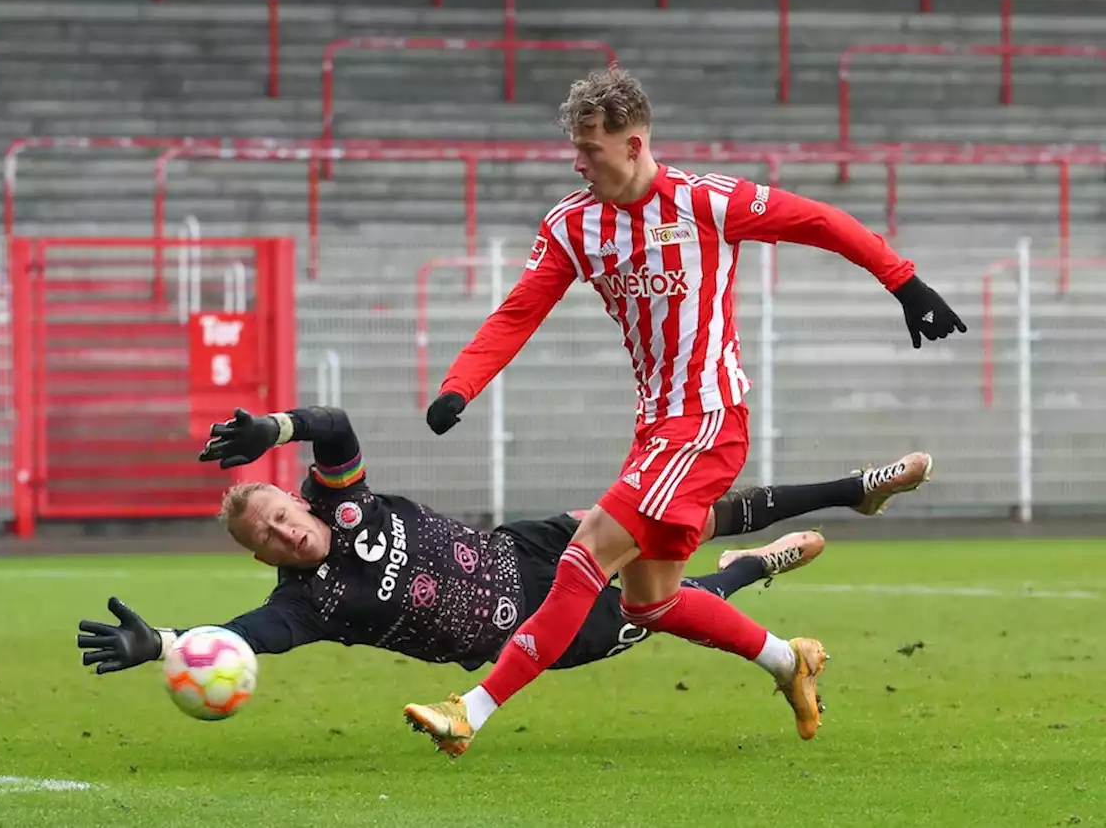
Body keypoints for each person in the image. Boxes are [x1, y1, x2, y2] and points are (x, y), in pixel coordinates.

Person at [406, 65, 965, 755]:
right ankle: (789, 661)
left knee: (587, 554)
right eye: (575, 150)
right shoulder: (573, 225)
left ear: (635, 144)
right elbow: (519, 312)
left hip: (707, 420)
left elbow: (817, 221)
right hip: (657, 428)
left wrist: (904, 282)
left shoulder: (706, 201)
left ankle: (473, 709)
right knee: (651, 599)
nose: (579, 164)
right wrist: (461, 385)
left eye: (592, 150)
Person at [76, 406, 932, 700]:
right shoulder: (311, 603)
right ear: (264, 555)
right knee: (673, 602)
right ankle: (762, 568)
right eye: (263, 536)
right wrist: (163, 644)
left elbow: (333, 427)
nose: (281, 530)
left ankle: (854, 487)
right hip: (540, 629)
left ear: (294, 498)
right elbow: (243, 636)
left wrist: (274, 426)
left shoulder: (344, 495)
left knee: (682, 512)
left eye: (275, 511)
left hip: (532, 543)